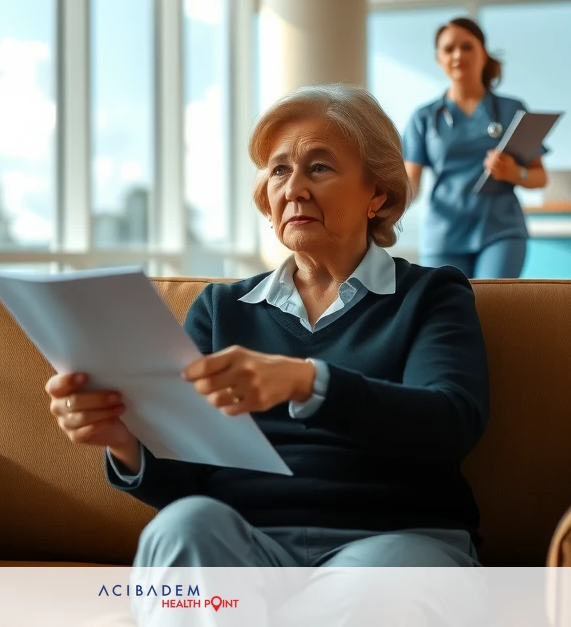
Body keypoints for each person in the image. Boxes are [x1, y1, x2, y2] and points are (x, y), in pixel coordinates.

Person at [44, 84, 489, 582]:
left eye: (318, 167)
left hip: (394, 540)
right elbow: (184, 478)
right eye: (280, 170)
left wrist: (307, 382)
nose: (293, 188)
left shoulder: (430, 294)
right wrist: (125, 440)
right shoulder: (220, 309)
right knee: (181, 528)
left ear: (377, 194)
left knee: (378, 582)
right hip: (251, 548)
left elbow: (451, 422)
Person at [402, 17, 548, 279]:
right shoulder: (424, 117)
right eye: (448, 49)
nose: (458, 55)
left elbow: (540, 176)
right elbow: (410, 183)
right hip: (444, 234)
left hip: (500, 231)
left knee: (492, 310)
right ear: (439, 59)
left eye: (467, 46)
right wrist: (381, 208)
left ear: (483, 53)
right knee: (447, 314)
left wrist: (515, 173)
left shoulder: (511, 109)